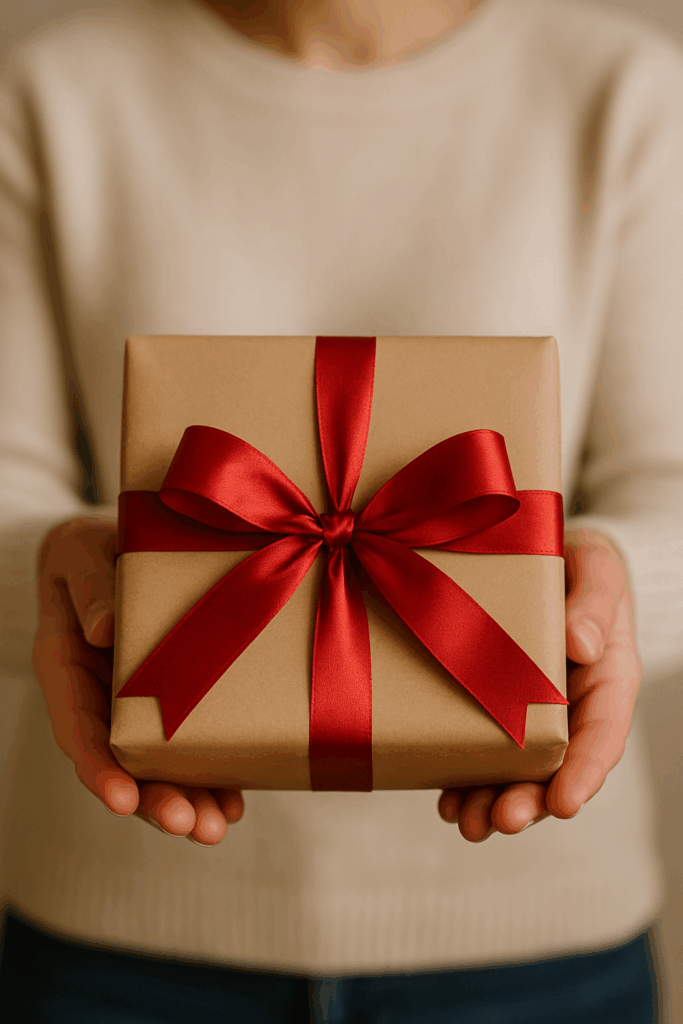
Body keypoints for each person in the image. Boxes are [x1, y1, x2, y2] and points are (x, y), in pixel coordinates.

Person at [0, 0, 682, 1018]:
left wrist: (608, 592)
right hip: (115, 947)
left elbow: (667, 481)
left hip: (538, 956)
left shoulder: (625, 89)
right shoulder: (47, 86)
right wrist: (58, 571)